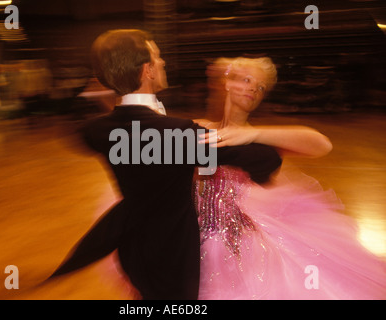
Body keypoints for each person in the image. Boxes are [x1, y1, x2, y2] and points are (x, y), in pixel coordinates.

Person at [46, 30, 282, 300]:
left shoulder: (98, 131)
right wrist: (252, 139)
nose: (163, 63)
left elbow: (88, 133)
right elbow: (266, 160)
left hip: (132, 249)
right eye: (158, 58)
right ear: (147, 70)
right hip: (173, 258)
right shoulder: (178, 132)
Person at [194, 57, 386, 299]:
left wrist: (251, 134)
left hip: (247, 240)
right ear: (226, 83)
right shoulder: (199, 129)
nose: (254, 88)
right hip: (202, 238)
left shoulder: (260, 139)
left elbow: (321, 144)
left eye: (260, 86)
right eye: (245, 80)